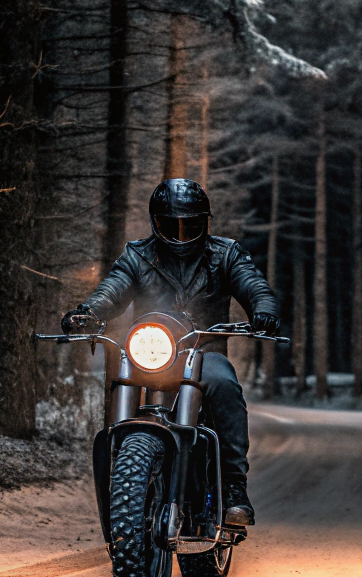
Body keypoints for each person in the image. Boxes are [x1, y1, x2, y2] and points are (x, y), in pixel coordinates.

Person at [61, 178, 278, 526]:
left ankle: (235, 487)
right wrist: (88, 312)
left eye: (189, 224)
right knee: (119, 374)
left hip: (203, 354)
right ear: (154, 222)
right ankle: (126, 480)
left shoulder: (226, 253)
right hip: (150, 353)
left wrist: (263, 309)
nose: (179, 233)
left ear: (204, 222)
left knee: (224, 386)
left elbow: (253, 284)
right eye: (170, 224)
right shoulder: (137, 255)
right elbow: (112, 290)